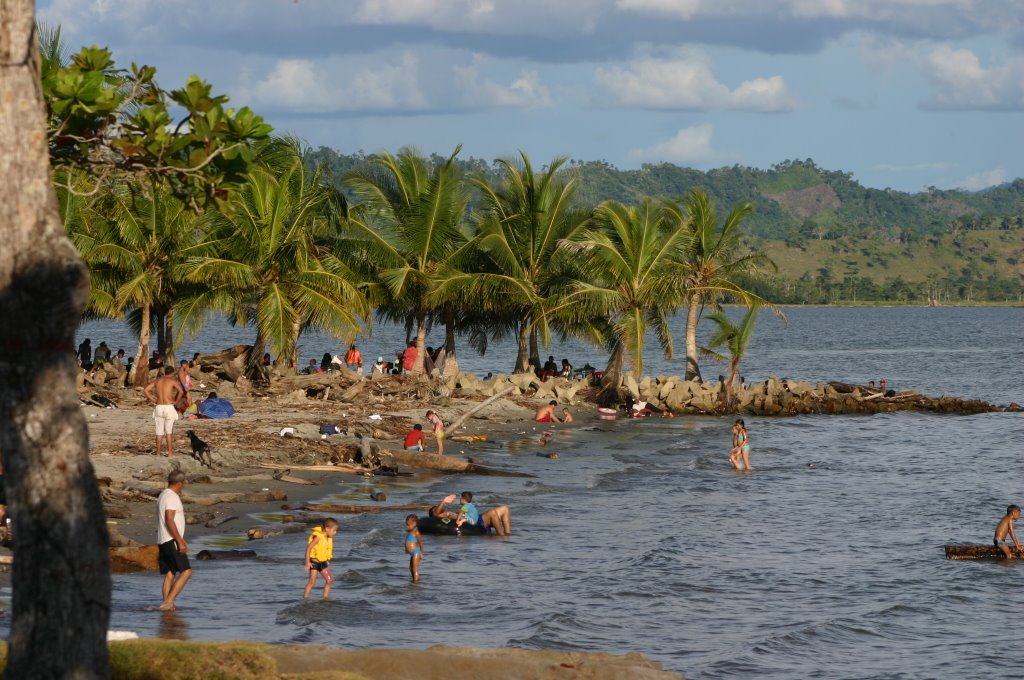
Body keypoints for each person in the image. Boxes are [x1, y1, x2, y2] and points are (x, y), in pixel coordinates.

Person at [157, 470, 191, 610]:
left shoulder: (163, 494)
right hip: (171, 540)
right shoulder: (171, 497)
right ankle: (168, 602)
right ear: (179, 483)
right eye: (183, 484)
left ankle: (167, 606)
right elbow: (169, 520)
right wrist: (180, 540)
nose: (183, 486)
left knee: (170, 573)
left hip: (163, 539)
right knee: (187, 572)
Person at [144, 366, 182, 457]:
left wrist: (153, 400)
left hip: (159, 407)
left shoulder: (157, 381)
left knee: (159, 432)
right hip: (169, 406)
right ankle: (170, 453)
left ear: (165, 372)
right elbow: (181, 391)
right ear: (172, 373)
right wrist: (176, 401)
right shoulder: (172, 381)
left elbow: (145, 390)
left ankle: (158, 453)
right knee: (169, 432)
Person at [433, 492, 512, 536]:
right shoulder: (446, 514)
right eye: (436, 508)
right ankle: (501, 537)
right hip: (477, 523)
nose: (440, 508)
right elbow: (435, 514)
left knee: (505, 509)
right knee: (492, 512)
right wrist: (444, 502)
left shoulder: (451, 512)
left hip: (477, 518)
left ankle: (508, 535)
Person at [303, 517, 339, 599]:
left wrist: (327, 560)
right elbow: (308, 548)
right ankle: (305, 599)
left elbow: (324, 550)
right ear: (327, 529)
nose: (335, 532)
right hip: (314, 563)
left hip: (323, 563)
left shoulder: (327, 538)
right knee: (312, 582)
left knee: (329, 581)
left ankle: (325, 598)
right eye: (334, 530)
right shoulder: (318, 537)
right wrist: (307, 562)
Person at [404, 514, 424, 583]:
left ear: (414, 523)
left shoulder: (416, 532)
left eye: (408, 525)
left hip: (416, 552)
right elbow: (408, 541)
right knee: (410, 568)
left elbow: (420, 542)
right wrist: (406, 549)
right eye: (406, 525)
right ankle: (413, 579)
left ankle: (416, 582)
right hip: (412, 553)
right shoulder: (410, 531)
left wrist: (421, 553)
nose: (407, 526)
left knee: (415, 568)